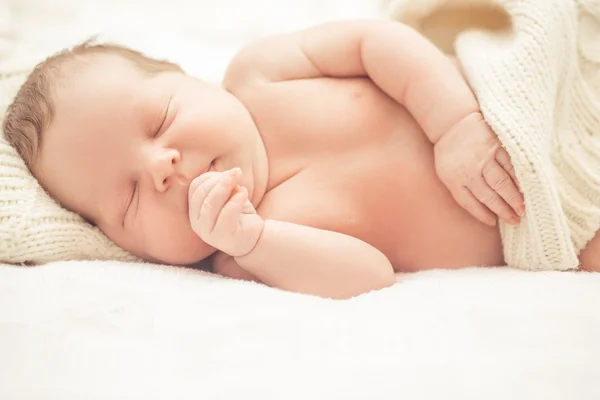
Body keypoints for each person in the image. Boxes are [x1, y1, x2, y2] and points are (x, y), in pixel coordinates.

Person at [4, 19, 593, 299]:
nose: (161, 166)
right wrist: (255, 239)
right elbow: (370, 275)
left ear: (188, 78)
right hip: (541, 220)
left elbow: (374, 42)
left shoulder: (260, 74)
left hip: (513, 106)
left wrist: (455, 125)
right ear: (123, 247)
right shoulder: (246, 257)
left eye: (160, 121)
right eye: (129, 198)